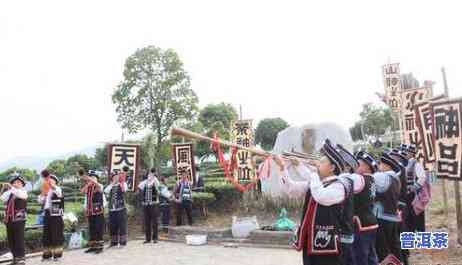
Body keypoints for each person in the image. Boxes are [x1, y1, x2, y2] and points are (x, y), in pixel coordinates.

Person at [277, 139, 349, 265]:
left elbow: (321, 196)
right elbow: (291, 189)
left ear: (332, 168)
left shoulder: (339, 186)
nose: (317, 165)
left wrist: (311, 172)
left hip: (328, 244)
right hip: (309, 240)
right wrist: (283, 168)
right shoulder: (316, 183)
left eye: (321, 163)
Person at [373, 152, 402, 263]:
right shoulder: (395, 178)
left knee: (383, 248)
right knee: (394, 246)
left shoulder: (382, 177)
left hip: (382, 217)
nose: (379, 166)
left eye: (380, 164)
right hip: (393, 216)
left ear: (387, 165)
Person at [352, 151, 379, 265]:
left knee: (360, 257)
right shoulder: (371, 179)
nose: (355, 166)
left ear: (366, 167)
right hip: (371, 222)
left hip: (361, 223)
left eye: (358, 163)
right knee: (371, 256)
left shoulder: (359, 179)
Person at [1, 173, 28, 265]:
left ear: (22, 184)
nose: (17, 184)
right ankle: (15, 258)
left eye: (19, 182)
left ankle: (21, 259)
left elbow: (20, 195)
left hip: (19, 219)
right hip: (9, 220)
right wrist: (4, 188)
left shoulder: (23, 192)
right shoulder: (10, 193)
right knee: (11, 239)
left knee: (19, 239)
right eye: (15, 182)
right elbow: (2, 198)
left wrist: (11, 187)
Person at [400, 144, 427, 232]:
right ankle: (412, 234)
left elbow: (422, 177)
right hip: (407, 194)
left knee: (416, 214)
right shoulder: (404, 163)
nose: (404, 153)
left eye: (406, 152)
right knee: (409, 216)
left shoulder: (415, 163)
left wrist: (414, 188)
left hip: (414, 194)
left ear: (411, 153)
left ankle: (419, 235)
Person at [39, 174, 64, 261]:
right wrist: (43, 192)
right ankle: (47, 255)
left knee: (56, 235)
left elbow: (59, 193)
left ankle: (57, 256)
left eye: (51, 180)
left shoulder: (58, 188)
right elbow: (39, 200)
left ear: (55, 182)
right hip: (47, 213)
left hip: (56, 215)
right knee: (46, 235)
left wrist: (51, 186)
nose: (49, 181)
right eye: (48, 180)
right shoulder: (46, 190)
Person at [80, 169, 106, 254]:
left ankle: (100, 247)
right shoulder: (88, 187)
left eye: (94, 177)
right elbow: (82, 191)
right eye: (91, 177)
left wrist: (91, 180)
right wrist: (88, 184)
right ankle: (93, 247)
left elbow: (99, 187)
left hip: (98, 211)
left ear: (97, 179)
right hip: (90, 212)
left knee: (98, 228)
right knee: (92, 229)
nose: (92, 179)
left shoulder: (100, 186)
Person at [104, 167, 129, 248]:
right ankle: (114, 242)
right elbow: (106, 191)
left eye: (117, 176)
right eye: (114, 177)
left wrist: (121, 181)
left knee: (122, 225)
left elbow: (125, 189)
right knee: (113, 225)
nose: (115, 178)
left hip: (121, 208)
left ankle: (123, 242)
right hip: (112, 209)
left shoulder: (122, 184)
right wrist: (112, 183)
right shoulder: (110, 186)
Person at [138, 168, 160, 244]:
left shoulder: (155, 181)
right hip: (146, 205)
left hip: (153, 204)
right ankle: (148, 238)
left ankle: (155, 238)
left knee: (155, 222)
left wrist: (154, 178)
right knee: (147, 222)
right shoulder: (145, 182)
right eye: (149, 174)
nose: (150, 175)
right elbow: (139, 187)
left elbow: (158, 187)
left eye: (152, 174)